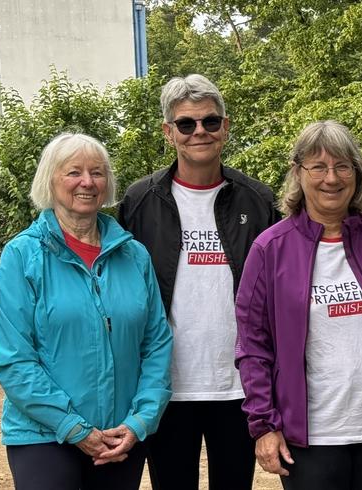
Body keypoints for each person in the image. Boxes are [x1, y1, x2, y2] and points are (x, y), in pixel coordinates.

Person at [235, 121, 362, 489]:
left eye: (342, 166)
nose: (331, 178)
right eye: (318, 167)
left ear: (356, 174)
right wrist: (263, 425)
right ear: (298, 173)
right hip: (308, 438)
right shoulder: (270, 249)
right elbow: (253, 347)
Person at [119, 73, 278, 490]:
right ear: (168, 132)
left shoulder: (258, 200)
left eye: (210, 121)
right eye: (186, 124)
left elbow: (278, 292)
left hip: (238, 384)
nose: (199, 132)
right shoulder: (139, 201)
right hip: (165, 386)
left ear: (225, 127)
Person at [0, 133, 173, 490]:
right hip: (44, 436)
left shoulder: (134, 256)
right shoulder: (22, 256)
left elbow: (156, 345)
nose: (87, 182)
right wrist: (73, 427)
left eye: (97, 172)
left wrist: (140, 421)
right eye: (74, 172)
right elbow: (14, 359)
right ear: (51, 180)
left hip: (120, 436)